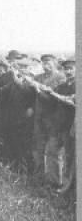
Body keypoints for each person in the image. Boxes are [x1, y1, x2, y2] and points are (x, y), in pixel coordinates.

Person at [39, 59, 75, 189]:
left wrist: (52, 93)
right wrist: (40, 90)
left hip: (70, 127)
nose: (68, 71)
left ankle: (66, 187)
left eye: (71, 69)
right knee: (51, 153)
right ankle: (53, 182)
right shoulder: (62, 85)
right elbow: (51, 100)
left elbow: (70, 101)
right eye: (66, 69)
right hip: (57, 125)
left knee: (68, 158)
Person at [32, 54, 65, 180]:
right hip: (39, 118)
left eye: (48, 62)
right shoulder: (39, 77)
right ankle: (40, 178)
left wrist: (38, 89)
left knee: (53, 152)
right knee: (38, 148)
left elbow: (53, 100)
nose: (46, 65)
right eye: (43, 63)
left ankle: (55, 181)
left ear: (55, 62)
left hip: (53, 119)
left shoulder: (60, 77)